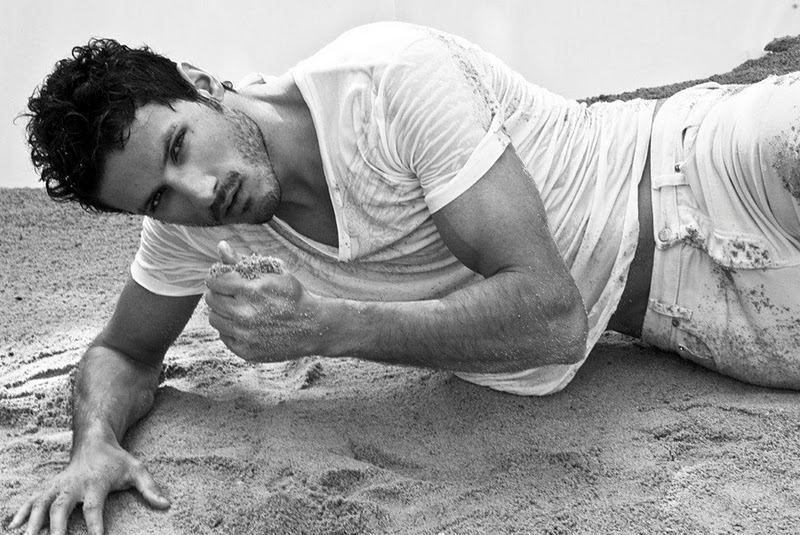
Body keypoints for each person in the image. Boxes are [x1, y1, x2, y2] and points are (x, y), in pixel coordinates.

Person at [9, 20, 799, 535]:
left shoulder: (387, 80)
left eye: (180, 146)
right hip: (691, 311)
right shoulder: (193, 224)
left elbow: (549, 313)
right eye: (158, 197)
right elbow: (124, 353)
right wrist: (93, 441)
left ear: (201, 83)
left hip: (709, 155)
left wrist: (323, 325)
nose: (200, 193)